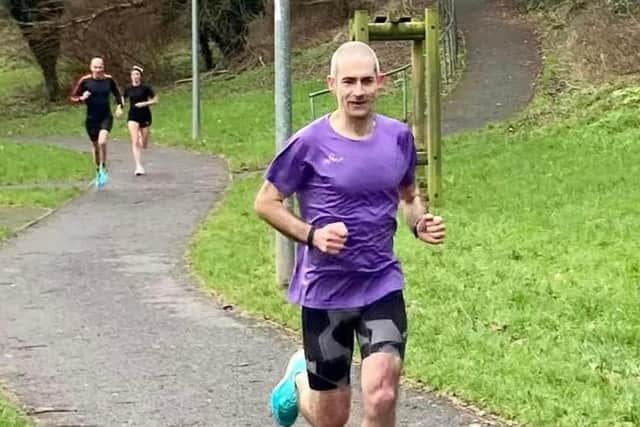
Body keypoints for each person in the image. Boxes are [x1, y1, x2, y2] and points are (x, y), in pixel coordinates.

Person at [254, 41, 447, 427]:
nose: (357, 91)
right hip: (326, 289)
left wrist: (419, 222)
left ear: (380, 83)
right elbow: (266, 202)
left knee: (383, 392)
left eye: (365, 81)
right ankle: (296, 382)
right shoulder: (309, 142)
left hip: (381, 282)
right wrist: (312, 235)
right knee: (332, 418)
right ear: (332, 84)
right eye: (348, 82)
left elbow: (408, 196)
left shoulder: (398, 137)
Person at [69, 57, 124, 188]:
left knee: (102, 142)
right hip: (91, 119)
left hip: (105, 116)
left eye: (100, 67)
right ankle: (98, 171)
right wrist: (82, 98)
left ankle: (104, 167)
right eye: (95, 67)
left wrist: (119, 107)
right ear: (91, 68)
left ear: (103, 67)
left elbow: (118, 95)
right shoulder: (85, 81)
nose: (98, 70)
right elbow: (73, 97)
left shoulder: (109, 80)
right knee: (95, 147)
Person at [123, 65, 158, 176]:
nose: (135, 77)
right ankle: (138, 166)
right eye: (133, 74)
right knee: (135, 141)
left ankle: (141, 137)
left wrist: (145, 103)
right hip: (133, 116)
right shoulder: (128, 88)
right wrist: (120, 108)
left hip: (145, 116)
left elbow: (156, 100)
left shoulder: (146, 88)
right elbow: (122, 99)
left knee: (144, 144)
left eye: (137, 74)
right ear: (130, 76)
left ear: (140, 76)